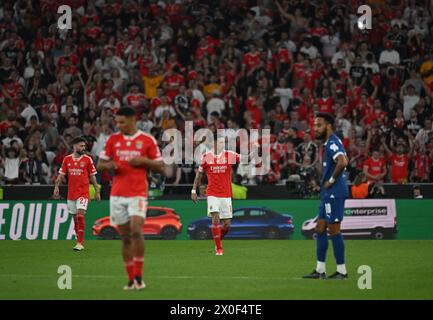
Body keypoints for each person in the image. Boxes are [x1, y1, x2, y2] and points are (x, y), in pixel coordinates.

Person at [97, 107, 164, 291]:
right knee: (125, 238)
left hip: (138, 193)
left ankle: (139, 276)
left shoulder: (146, 140)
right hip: (117, 195)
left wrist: (144, 161)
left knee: (136, 231)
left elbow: (161, 167)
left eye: (122, 122)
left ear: (133, 119)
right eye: (117, 122)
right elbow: (100, 164)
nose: (118, 126)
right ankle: (130, 279)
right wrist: (109, 164)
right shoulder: (113, 140)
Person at [191, 136, 257, 255]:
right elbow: (199, 174)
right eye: (220, 142)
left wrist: (255, 151)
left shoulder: (229, 155)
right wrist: (193, 190)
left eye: (223, 142)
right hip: (212, 193)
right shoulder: (206, 157)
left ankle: (217, 238)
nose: (223, 144)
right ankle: (219, 248)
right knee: (215, 218)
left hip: (226, 194)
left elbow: (246, 159)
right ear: (214, 144)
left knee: (227, 225)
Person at [303, 113, 349, 280]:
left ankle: (342, 272)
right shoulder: (329, 143)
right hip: (328, 193)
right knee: (320, 228)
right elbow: (344, 159)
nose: (316, 129)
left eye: (319, 125)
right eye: (315, 125)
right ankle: (320, 270)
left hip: (334, 194)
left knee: (334, 230)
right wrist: (322, 184)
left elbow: (343, 162)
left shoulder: (332, 142)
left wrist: (330, 180)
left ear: (329, 125)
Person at [53, 137, 100, 251]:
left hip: (83, 192)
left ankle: (80, 243)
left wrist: (97, 191)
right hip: (71, 194)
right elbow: (61, 175)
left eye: (84, 146)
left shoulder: (88, 159)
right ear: (74, 146)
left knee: (80, 215)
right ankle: (78, 240)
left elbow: (92, 177)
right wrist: (56, 187)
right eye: (81, 146)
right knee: (75, 218)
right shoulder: (67, 159)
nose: (83, 148)